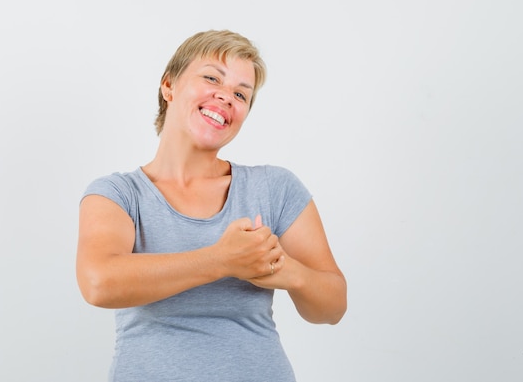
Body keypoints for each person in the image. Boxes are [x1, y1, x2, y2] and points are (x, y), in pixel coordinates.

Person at [76, 29, 347, 381]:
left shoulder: (274, 187)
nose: (226, 96)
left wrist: (286, 270)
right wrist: (223, 260)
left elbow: (332, 307)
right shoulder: (117, 194)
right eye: (211, 78)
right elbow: (99, 283)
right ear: (169, 86)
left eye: (240, 93)